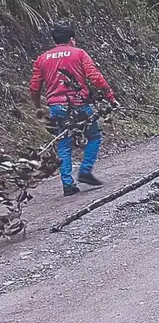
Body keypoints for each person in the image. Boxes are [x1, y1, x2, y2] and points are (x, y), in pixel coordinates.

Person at [29, 25, 119, 196]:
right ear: (72, 39)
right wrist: (110, 98)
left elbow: (34, 87)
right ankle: (85, 171)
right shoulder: (79, 53)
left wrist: (37, 106)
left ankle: (68, 184)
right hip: (79, 104)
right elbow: (95, 77)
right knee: (94, 136)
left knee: (64, 143)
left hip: (57, 107)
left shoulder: (42, 59)